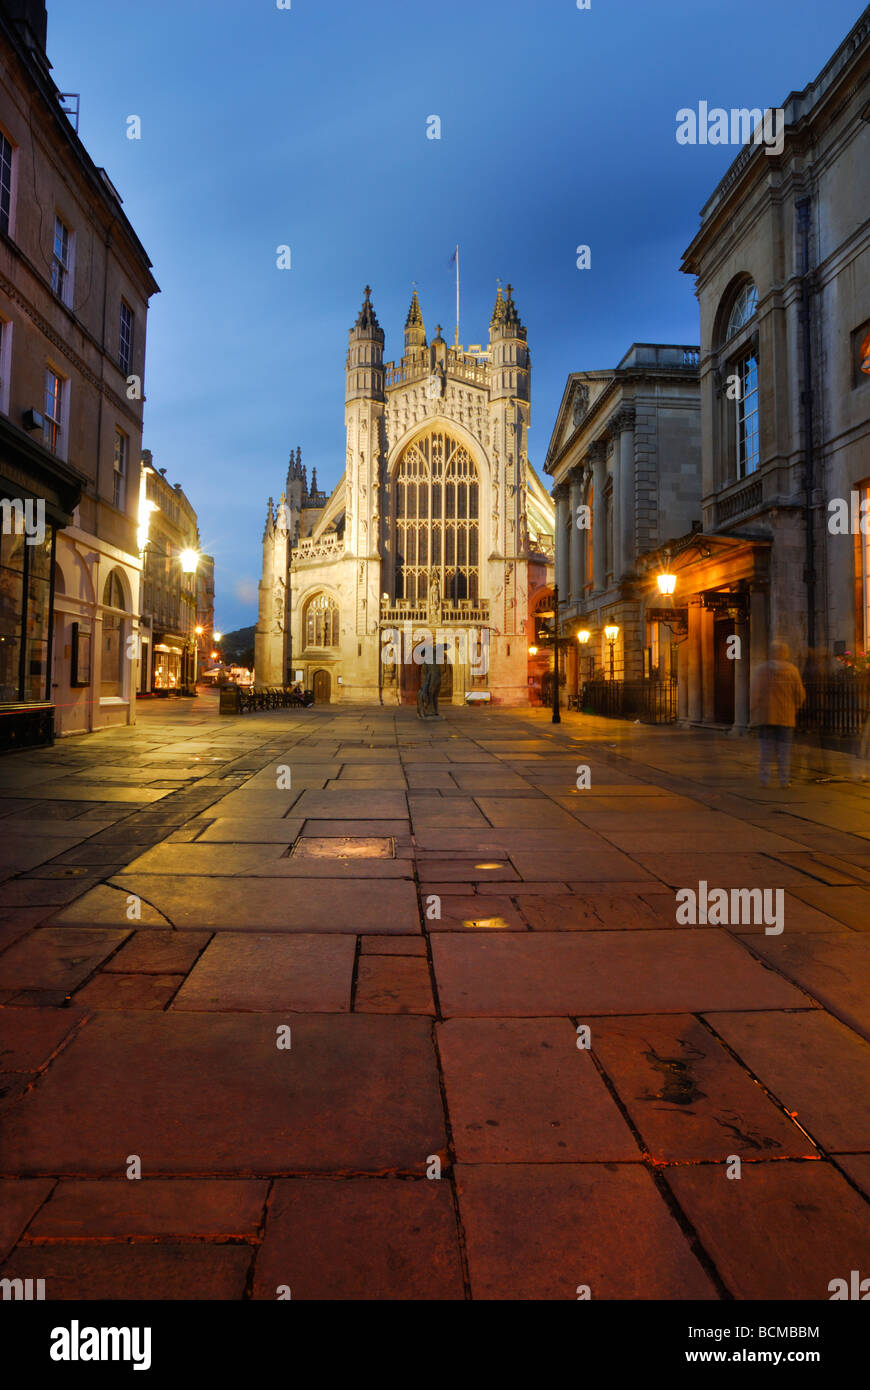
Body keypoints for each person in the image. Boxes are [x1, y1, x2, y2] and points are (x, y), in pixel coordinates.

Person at [750, 638, 806, 788]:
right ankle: (784, 780)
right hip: (786, 718)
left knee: (766, 751)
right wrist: (794, 707)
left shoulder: (761, 670)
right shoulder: (793, 671)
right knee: (784, 751)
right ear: (786, 654)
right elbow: (800, 694)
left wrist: (754, 710)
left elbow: (755, 694)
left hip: (766, 716)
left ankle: (765, 779)